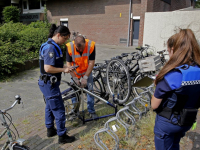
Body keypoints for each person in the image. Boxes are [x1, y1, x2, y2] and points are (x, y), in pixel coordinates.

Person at [151, 29, 200, 150]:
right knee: (174, 144)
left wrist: (158, 85)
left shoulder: (171, 75)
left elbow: (154, 105)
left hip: (168, 123)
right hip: (187, 121)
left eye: (168, 51)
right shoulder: (198, 69)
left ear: (173, 50)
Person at [38, 24, 75, 144]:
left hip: (47, 83)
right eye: (65, 38)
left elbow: (55, 65)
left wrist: (66, 67)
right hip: (49, 84)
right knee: (59, 109)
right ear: (58, 35)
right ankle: (62, 136)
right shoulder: (50, 48)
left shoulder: (53, 46)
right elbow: (48, 68)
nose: (65, 41)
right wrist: (64, 70)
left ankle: (50, 129)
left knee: (50, 106)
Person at [66, 35, 98, 119]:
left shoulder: (91, 46)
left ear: (85, 43)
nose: (80, 50)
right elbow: (68, 65)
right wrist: (75, 79)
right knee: (74, 92)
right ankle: (75, 111)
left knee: (90, 90)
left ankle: (91, 110)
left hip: (86, 71)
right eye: (78, 48)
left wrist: (86, 77)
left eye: (82, 48)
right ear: (75, 44)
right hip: (75, 72)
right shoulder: (69, 47)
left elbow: (91, 63)